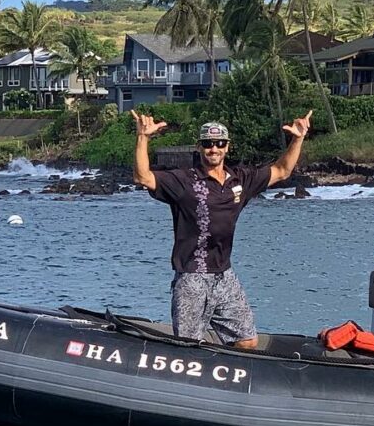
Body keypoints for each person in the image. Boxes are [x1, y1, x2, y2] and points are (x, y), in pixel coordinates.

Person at [131, 110, 313, 349]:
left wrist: (298, 138)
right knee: (187, 349)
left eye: (219, 144)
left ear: (227, 147)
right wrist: (143, 137)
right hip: (191, 278)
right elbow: (142, 177)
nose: (213, 149)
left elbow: (282, 170)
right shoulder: (185, 181)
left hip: (224, 276)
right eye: (208, 144)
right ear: (199, 147)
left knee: (247, 341)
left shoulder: (240, 180)